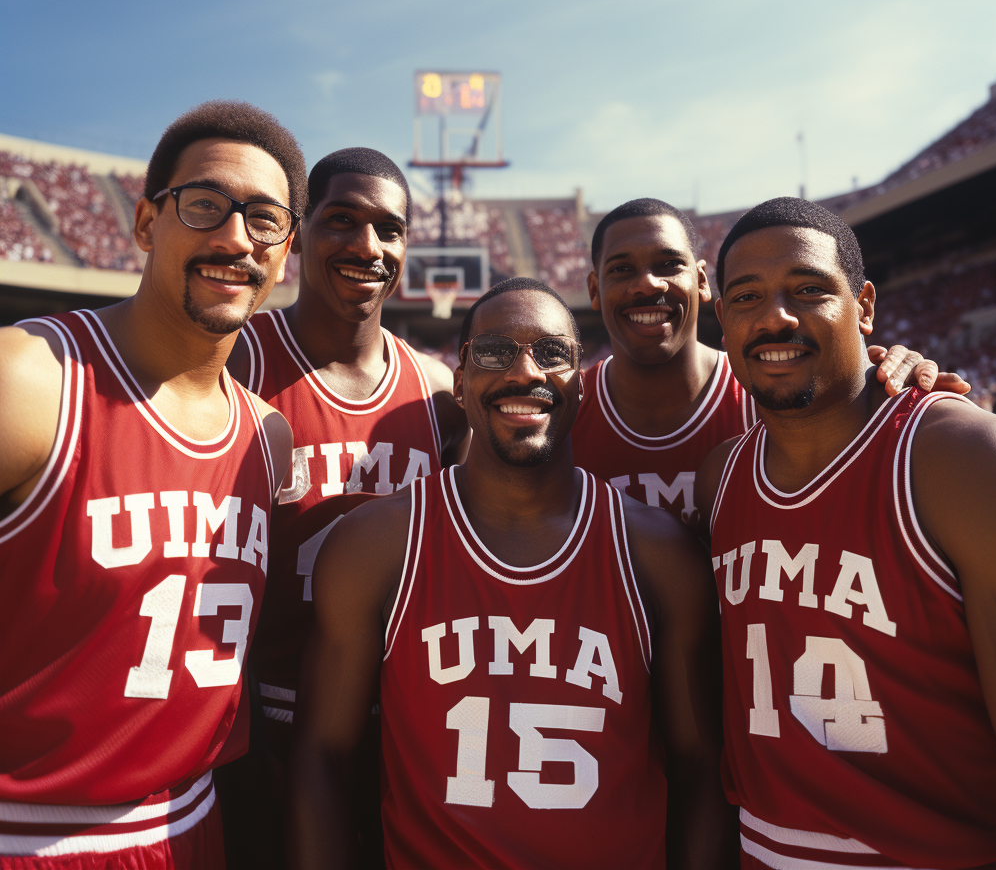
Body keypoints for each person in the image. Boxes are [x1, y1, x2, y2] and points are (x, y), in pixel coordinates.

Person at [290, 277, 734, 869]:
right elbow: (323, 756)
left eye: (552, 354)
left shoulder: (656, 553)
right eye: (496, 353)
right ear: (460, 381)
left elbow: (701, 769)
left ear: (582, 381)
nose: (525, 372)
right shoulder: (376, 545)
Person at [0, 100, 303, 867]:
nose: (235, 237)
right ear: (144, 225)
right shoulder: (33, 380)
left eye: (264, 219)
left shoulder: (268, 438)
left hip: (192, 827)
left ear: (285, 250)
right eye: (204, 205)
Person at [695, 197, 996, 867]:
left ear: (864, 305)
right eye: (748, 297)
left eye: (808, 290)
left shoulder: (964, 459)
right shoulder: (721, 477)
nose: (776, 317)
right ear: (722, 320)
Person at [218, 147, 467, 867]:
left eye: (388, 228)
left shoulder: (439, 395)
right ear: (297, 233)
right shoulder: (236, 361)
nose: (367, 245)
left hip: (399, 729)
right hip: (253, 720)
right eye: (342, 221)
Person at [574, 198, 967, 528]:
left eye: (669, 264)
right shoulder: (559, 411)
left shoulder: (774, 388)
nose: (647, 284)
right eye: (622, 268)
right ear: (594, 289)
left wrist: (886, 380)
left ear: (701, 281)